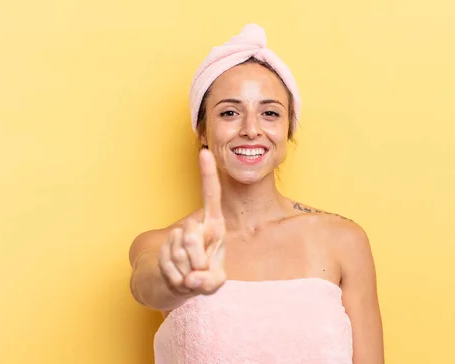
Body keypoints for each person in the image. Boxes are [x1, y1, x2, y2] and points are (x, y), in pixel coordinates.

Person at [129, 23, 384, 364]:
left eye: (269, 113)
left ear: (288, 127)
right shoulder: (165, 244)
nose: (251, 129)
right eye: (230, 112)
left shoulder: (344, 240)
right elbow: (146, 286)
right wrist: (172, 280)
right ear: (203, 129)